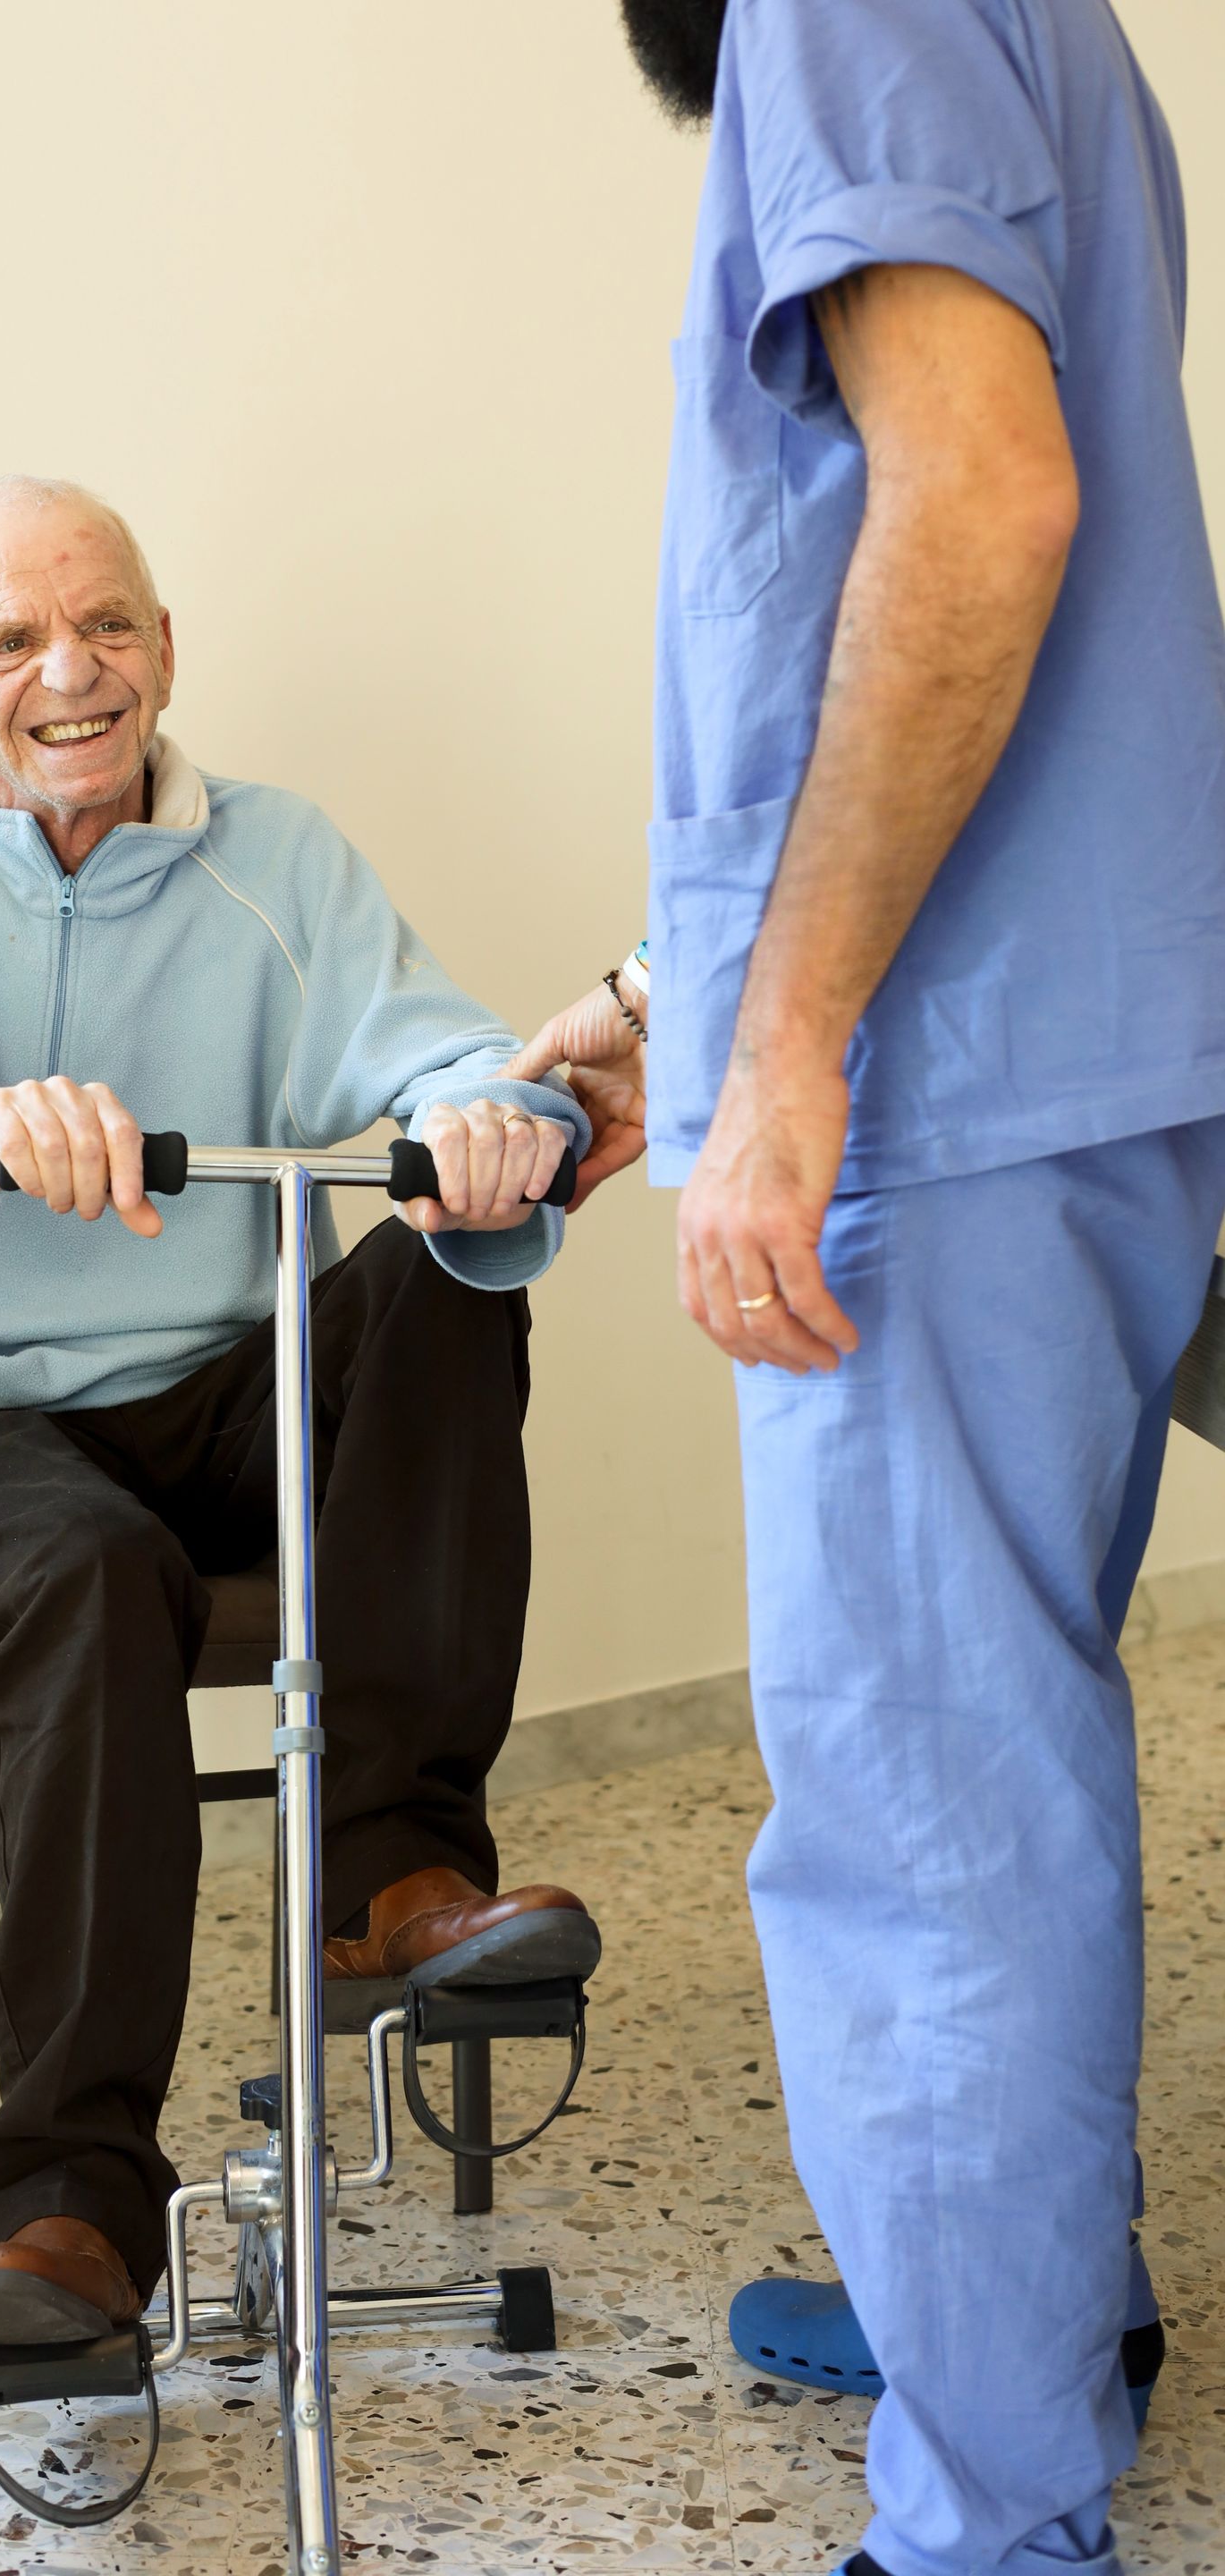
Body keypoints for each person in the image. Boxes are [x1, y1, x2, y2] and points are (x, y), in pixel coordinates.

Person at [510, 5, 1225, 2573]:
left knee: (924, 1824)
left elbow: (984, 506)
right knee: (998, 1759)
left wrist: (791, 1045)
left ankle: (988, 2517)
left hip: (944, 1070)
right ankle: (1017, 2315)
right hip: (1071, 1030)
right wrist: (681, 998)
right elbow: (862, 585)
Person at [0, 474, 601, 2360]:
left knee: (443, 1266)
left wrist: (492, 1120)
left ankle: (390, 1873)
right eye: (11, 640)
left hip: (221, 1396)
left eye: (105, 624)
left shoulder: (281, 857)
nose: (69, 671)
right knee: (92, 1568)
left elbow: (438, 1048)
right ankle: (68, 2213)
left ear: (165, 651)